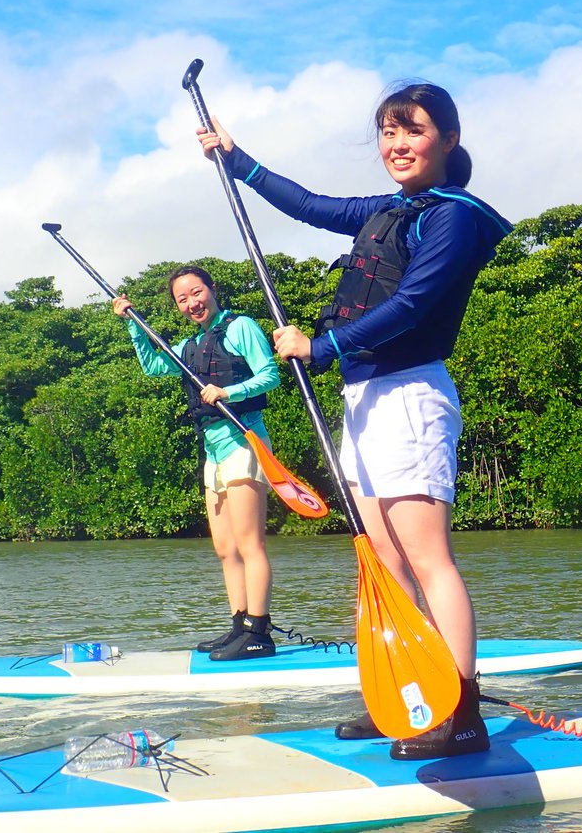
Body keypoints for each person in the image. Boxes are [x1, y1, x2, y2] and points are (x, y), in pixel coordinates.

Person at [196, 82, 512, 758]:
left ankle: (458, 712)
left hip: (410, 395)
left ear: (448, 141)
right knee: (383, 559)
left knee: (428, 559)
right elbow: (313, 206)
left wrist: (322, 345)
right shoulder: (394, 209)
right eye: (388, 133)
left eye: (414, 131)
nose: (398, 144)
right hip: (362, 400)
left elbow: (415, 305)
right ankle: (404, 694)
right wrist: (238, 159)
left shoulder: (452, 218)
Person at [113, 265, 281, 661]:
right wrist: (134, 326)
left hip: (244, 443)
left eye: (196, 292)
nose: (191, 303)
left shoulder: (241, 327)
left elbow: (270, 375)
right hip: (214, 451)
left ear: (212, 289)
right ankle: (239, 625)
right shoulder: (189, 346)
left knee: (249, 543)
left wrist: (230, 390)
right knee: (225, 548)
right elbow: (153, 367)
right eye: (182, 299)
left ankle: (260, 631)